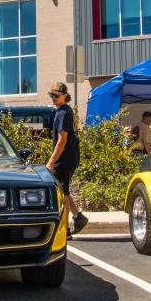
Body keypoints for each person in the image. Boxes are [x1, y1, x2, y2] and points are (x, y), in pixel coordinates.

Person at [46, 82, 87, 235]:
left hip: (64, 159)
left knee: (62, 193)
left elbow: (62, 139)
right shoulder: (62, 110)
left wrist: (51, 161)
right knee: (64, 190)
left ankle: (65, 228)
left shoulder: (63, 112)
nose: (54, 98)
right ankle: (78, 217)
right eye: (52, 95)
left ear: (65, 96)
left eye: (56, 96)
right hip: (67, 158)